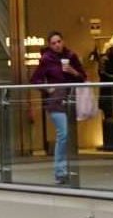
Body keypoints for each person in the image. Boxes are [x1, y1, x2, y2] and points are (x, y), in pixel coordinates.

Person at [29, 32, 88, 184]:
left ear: (63, 41)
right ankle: (60, 171)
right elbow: (35, 79)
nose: (57, 45)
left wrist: (72, 71)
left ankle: (69, 169)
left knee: (69, 136)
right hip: (56, 101)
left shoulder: (71, 56)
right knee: (64, 134)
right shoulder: (47, 59)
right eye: (53, 43)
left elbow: (82, 77)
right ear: (50, 45)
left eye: (59, 41)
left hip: (71, 99)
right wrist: (48, 89)